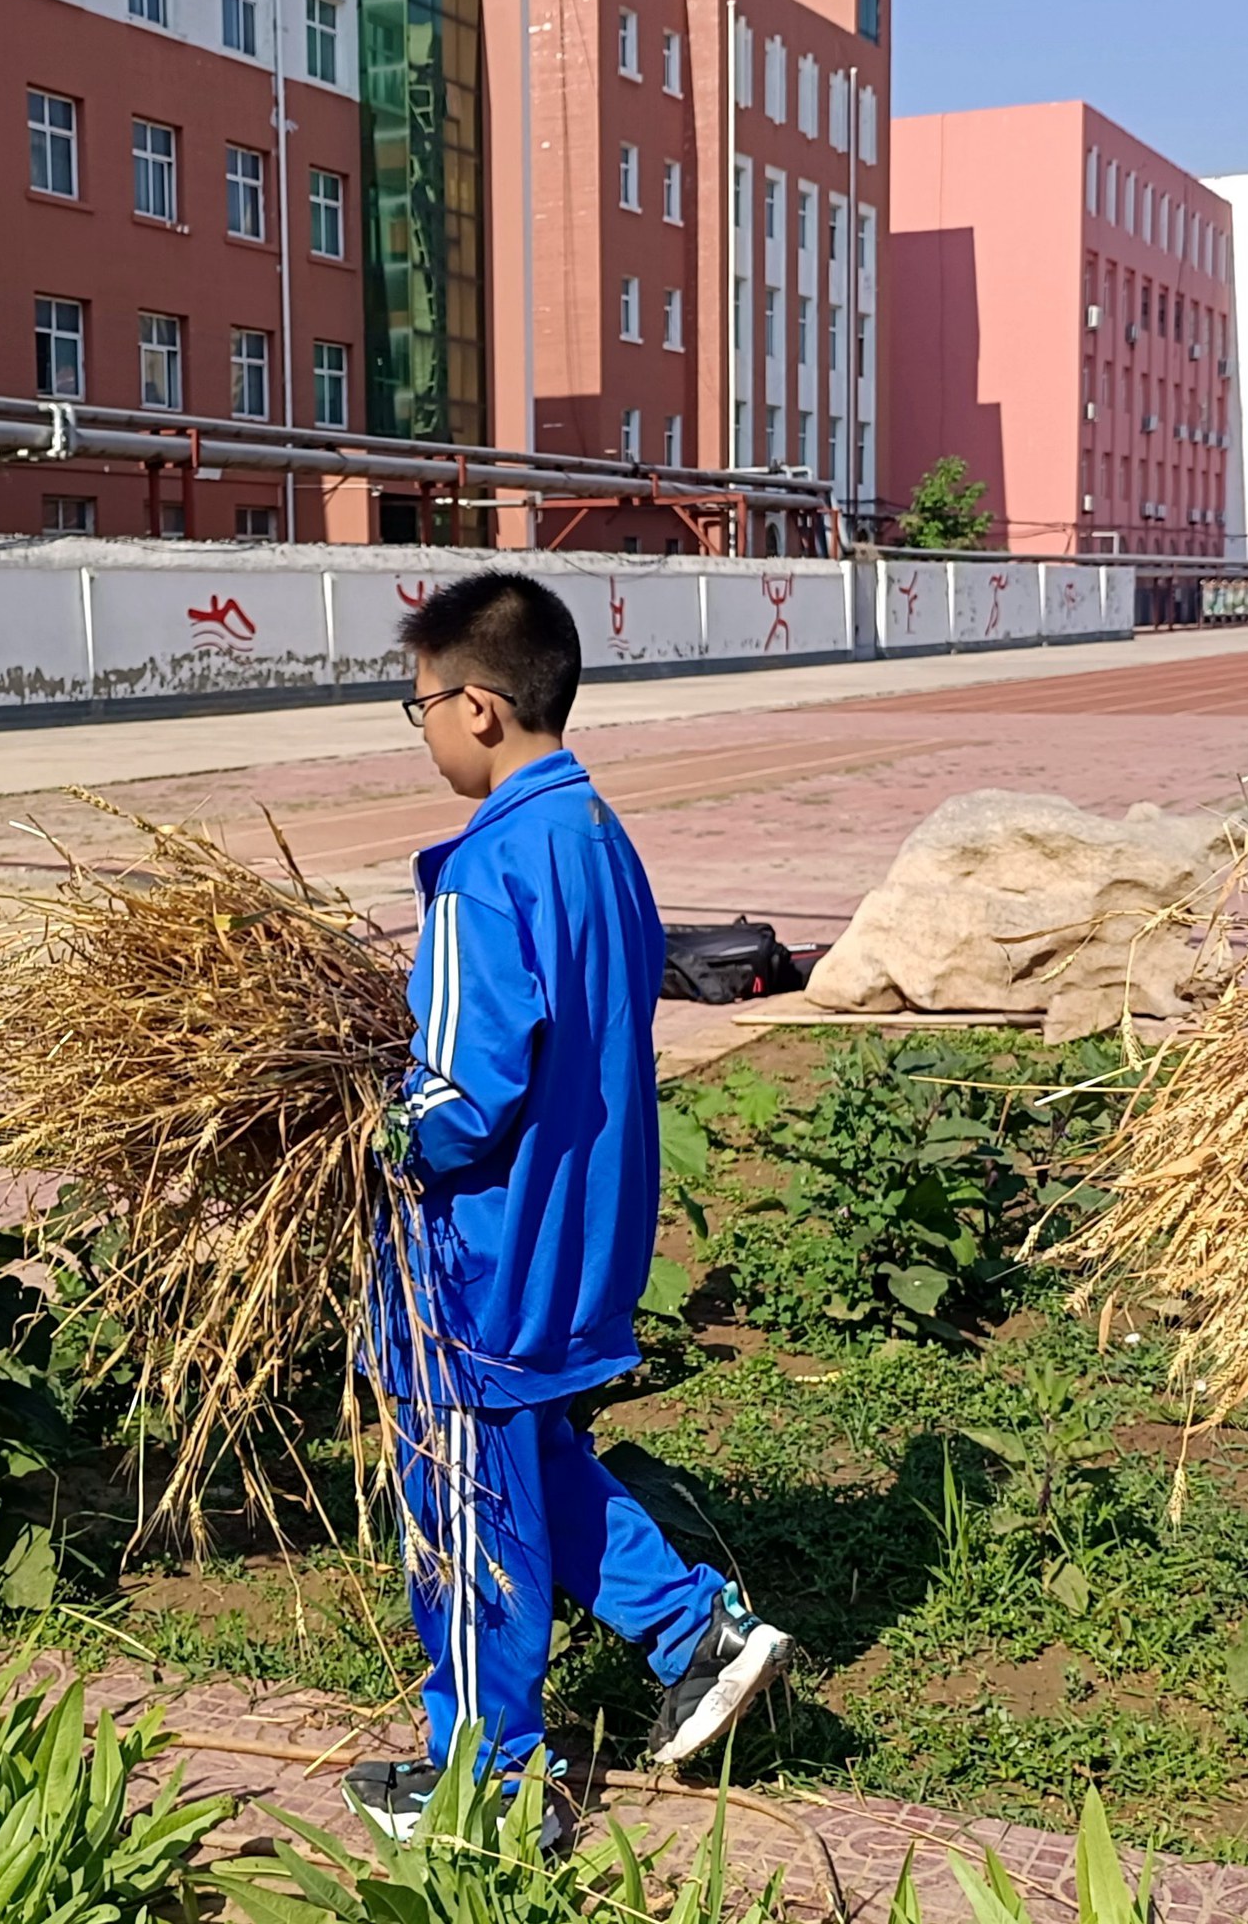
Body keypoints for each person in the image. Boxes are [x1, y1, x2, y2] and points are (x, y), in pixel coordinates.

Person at [343, 572, 793, 1843]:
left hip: (483, 1250)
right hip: (576, 1228)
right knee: (530, 1455)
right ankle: (694, 1628)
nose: (420, 727)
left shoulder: (485, 871)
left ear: (478, 707)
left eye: (418, 703)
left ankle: (489, 1784)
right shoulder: (595, 832)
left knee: (467, 1504)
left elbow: (461, 1093)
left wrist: (373, 1135)